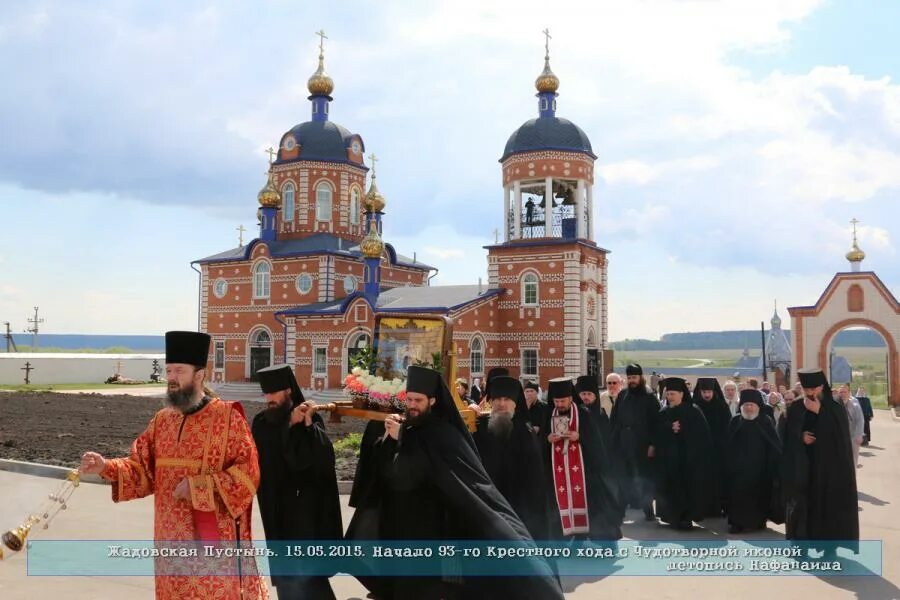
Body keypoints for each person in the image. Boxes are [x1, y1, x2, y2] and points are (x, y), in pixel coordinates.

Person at [79, 331, 268, 599]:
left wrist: (199, 486)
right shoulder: (161, 421)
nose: (171, 378)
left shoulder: (228, 418)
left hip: (211, 545)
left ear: (199, 374)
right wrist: (105, 466)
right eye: (168, 370)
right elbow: (141, 469)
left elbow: (249, 475)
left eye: (179, 370)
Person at [374, 366, 564, 599]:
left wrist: (402, 438)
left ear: (432, 400)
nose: (412, 404)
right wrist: (393, 439)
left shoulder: (444, 432)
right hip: (423, 521)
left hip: (480, 514)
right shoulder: (419, 428)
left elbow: (436, 468)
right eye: (409, 399)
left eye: (418, 400)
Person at [252, 364, 341, 600]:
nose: (268, 398)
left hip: (308, 515)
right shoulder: (262, 422)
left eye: (273, 393)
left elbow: (323, 461)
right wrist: (289, 424)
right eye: (265, 393)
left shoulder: (312, 420)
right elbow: (266, 455)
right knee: (288, 581)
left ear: (288, 392)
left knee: (311, 579)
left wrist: (308, 425)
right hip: (278, 511)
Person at [781, 368, 859, 554]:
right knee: (801, 508)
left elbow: (840, 439)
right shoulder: (797, 407)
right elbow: (786, 434)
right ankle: (801, 548)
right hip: (803, 469)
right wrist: (800, 437)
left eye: (814, 389)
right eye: (807, 390)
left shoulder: (834, 408)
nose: (810, 393)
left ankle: (829, 550)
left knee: (828, 509)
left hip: (828, 471)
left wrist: (820, 412)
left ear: (822, 387)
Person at [544, 378, 623, 541]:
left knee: (590, 504)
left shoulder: (583, 414)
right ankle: (564, 538)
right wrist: (547, 439)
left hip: (585, 471)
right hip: (557, 472)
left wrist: (579, 437)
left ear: (571, 398)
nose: (560, 404)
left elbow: (596, 443)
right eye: (556, 401)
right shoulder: (548, 415)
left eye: (563, 401)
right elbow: (539, 441)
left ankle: (587, 537)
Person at [473, 375, 550, 540]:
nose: (501, 404)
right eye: (497, 399)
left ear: (515, 402)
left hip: (519, 508)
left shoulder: (525, 431)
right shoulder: (479, 428)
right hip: (487, 506)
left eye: (507, 399)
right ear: (490, 402)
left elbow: (534, 481)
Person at [653, 377, 715, 530]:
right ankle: (672, 517)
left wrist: (683, 430)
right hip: (669, 461)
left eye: (673, 394)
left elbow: (702, 435)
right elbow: (656, 432)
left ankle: (687, 518)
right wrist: (669, 427)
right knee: (670, 489)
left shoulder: (693, 411)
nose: (670, 397)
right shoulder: (664, 411)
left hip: (689, 460)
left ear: (681, 394)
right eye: (668, 394)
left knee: (688, 489)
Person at [724, 390, 783, 533]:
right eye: (746, 405)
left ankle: (758, 521)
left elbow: (774, 445)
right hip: (738, 471)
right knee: (737, 496)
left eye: (751, 405)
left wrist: (772, 464)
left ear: (758, 406)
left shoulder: (765, 421)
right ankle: (736, 523)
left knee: (760, 496)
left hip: (760, 469)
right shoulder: (735, 421)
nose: (748, 408)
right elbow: (727, 445)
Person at [609, 363, 660, 521]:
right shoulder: (623, 395)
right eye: (629, 377)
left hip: (642, 444)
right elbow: (614, 419)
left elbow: (657, 423)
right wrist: (613, 440)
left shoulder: (649, 396)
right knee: (623, 477)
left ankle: (647, 510)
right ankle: (620, 511)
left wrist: (653, 444)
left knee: (642, 477)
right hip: (624, 442)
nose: (632, 380)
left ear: (641, 377)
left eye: (634, 377)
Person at [692, 378, 732, 516]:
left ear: (714, 391)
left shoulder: (722, 406)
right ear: (700, 391)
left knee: (718, 481)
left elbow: (728, 429)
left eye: (709, 391)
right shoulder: (694, 406)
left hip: (718, 451)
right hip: (700, 452)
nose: (707, 395)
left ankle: (719, 508)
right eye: (704, 392)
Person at [575, 374, 612, 440]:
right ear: (578, 395)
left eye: (589, 394)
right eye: (583, 394)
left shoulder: (601, 414)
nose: (586, 397)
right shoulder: (573, 414)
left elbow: (606, 437)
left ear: (595, 397)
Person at [838, 384, 865, 468]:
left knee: (853, 460)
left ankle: (852, 479)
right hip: (840, 437)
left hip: (853, 437)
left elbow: (860, 420)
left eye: (844, 392)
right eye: (841, 392)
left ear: (849, 393)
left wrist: (859, 435)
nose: (842, 394)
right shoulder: (835, 405)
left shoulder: (855, 405)